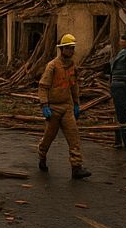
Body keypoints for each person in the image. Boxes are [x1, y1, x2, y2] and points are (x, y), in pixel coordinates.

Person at [37, 33, 92, 179]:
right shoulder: (52, 66)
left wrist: (76, 104)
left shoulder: (72, 66)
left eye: (72, 48)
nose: (71, 51)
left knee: (74, 137)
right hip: (53, 108)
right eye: (69, 48)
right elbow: (43, 87)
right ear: (62, 49)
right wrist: (44, 105)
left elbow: (74, 86)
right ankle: (42, 155)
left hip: (67, 106)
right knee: (48, 137)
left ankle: (76, 167)